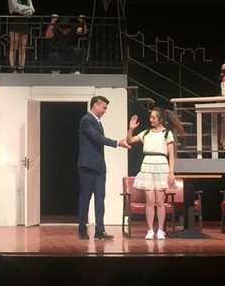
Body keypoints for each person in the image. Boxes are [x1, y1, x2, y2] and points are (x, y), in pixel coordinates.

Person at [77, 95, 131, 240]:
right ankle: (82, 230)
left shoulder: (97, 121)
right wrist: (117, 143)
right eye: (104, 107)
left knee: (100, 199)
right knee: (85, 198)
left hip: (99, 166)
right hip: (88, 165)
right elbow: (96, 137)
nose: (105, 111)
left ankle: (100, 231)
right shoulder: (86, 120)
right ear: (95, 105)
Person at [125, 107, 183, 239]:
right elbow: (129, 141)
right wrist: (131, 129)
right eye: (150, 117)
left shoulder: (167, 133)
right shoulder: (146, 133)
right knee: (150, 201)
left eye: (153, 117)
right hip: (147, 165)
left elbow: (171, 155)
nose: (151, 119)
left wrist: (171, 172)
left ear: (160, 119)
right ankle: (150, 230)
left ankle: (161, 230)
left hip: (161, 166)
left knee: (160, 201)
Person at [6, 0, 35, 73]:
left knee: (22, 46)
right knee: (14, 45)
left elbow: (32, 10)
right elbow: (15, 7)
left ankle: (21, 68)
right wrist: (26, 8)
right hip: (15, 20)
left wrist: (25, 10)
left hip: (24, 21)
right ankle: (13, 68)